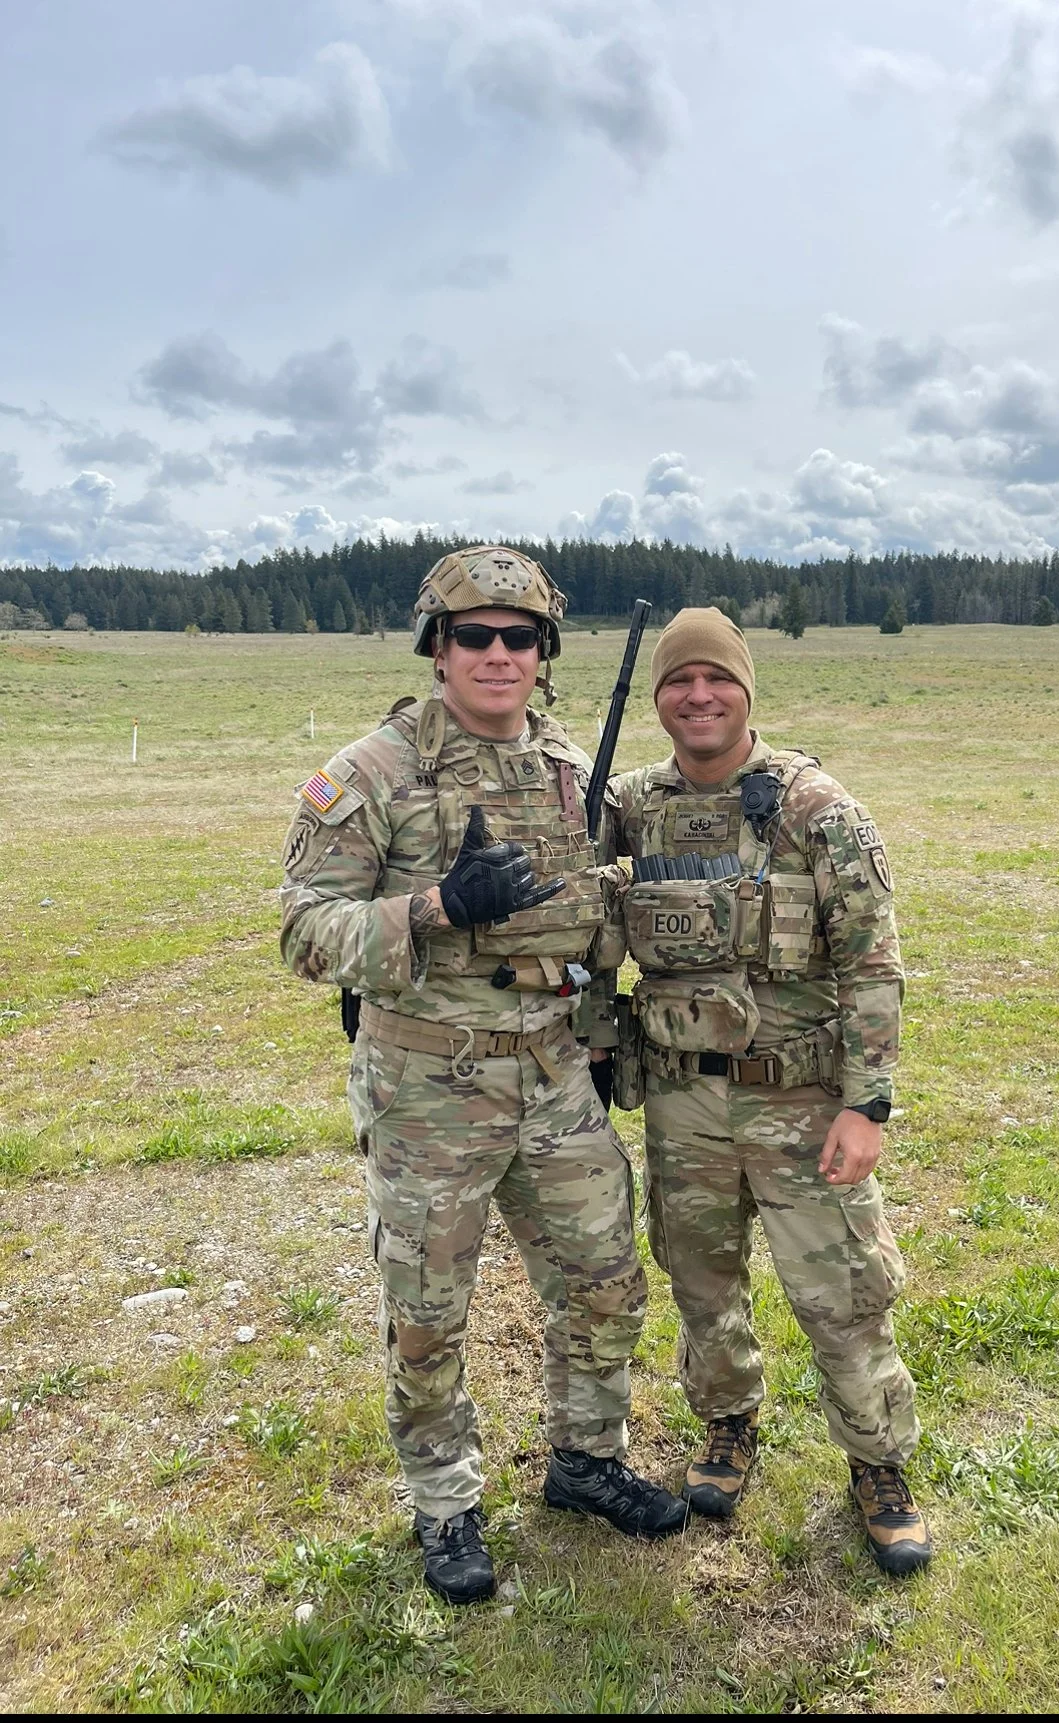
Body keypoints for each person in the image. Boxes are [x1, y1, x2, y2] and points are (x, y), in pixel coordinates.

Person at [280, 546, 686, 1607]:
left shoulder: (567, 766)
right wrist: (433, 909)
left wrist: (598, 1035)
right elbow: (303, 931)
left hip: (553, 1076)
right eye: (476, 636)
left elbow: (594, 914)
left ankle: (585, 1457)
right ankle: (445, 1501)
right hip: (429, 1089)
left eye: (521, 637)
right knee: (428, 1311)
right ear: (438, 647)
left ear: (545, 654)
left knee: (604, 1279)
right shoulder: (372, 771)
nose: (499, 654)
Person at [607, 607, 931, 1577]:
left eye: (718, 679)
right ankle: (728, 1424)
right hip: (683, 1103)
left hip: (803, 1106)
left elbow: (873, 964)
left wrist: (867, 1104)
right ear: (659, 697)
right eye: (679, 681)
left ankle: (879, 1463)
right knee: (703, 1284)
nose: (698, 695)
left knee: (842, 1296)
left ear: (748, 689)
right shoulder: (628, 806)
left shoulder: (817, 808)